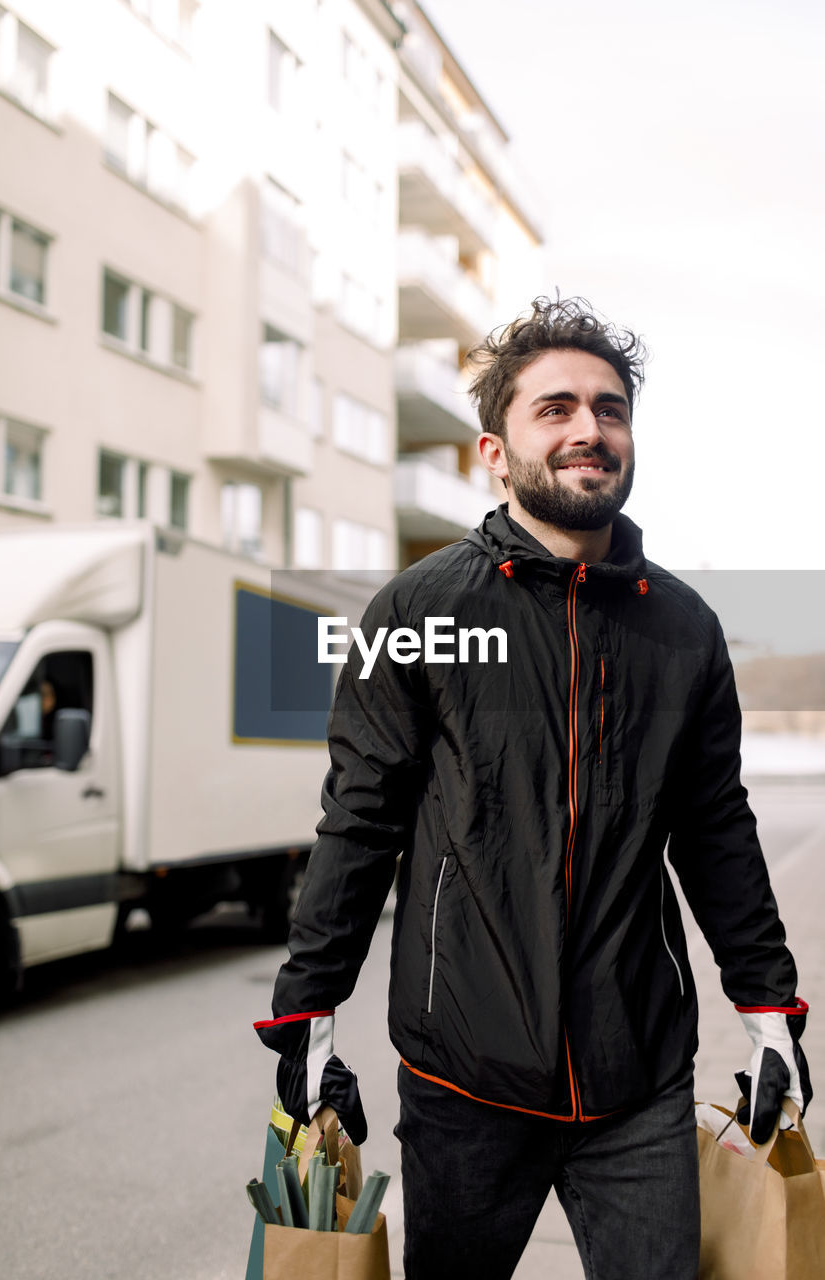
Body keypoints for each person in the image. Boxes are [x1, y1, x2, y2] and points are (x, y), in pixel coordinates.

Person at [255, 297, 811, 1279]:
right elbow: (359, 822)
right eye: (554, 407)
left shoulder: (681, 628)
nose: (587, 427)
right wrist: (307, 1010)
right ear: (493, 449)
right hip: (463, 1078)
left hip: (636, 1078)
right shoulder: (418, 610)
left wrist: (769, 1008)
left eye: (608, 408)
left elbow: (715, 825)